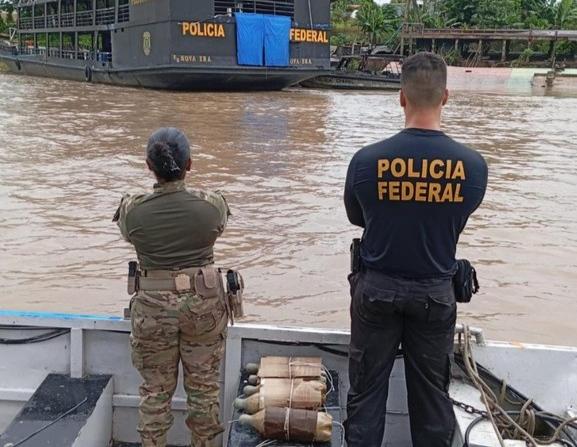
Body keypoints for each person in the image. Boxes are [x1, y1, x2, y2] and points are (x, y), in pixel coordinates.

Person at [343, 52, 488, 447]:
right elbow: (457, 217)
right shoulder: (472, 166)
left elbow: (358, 218)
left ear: (401, 98)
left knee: (366, 395)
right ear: (445, 97)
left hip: (375, 292)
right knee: (431, 399)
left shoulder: (366, 161)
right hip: (434, 295)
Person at [114, 127, 231, 447]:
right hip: (202, 307)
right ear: (189, 164)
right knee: (204, 391)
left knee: (154, 393)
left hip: (152, 309)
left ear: (148, 165)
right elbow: (220, 225)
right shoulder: (212, 206)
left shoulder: (133, 209)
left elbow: (127, 233)